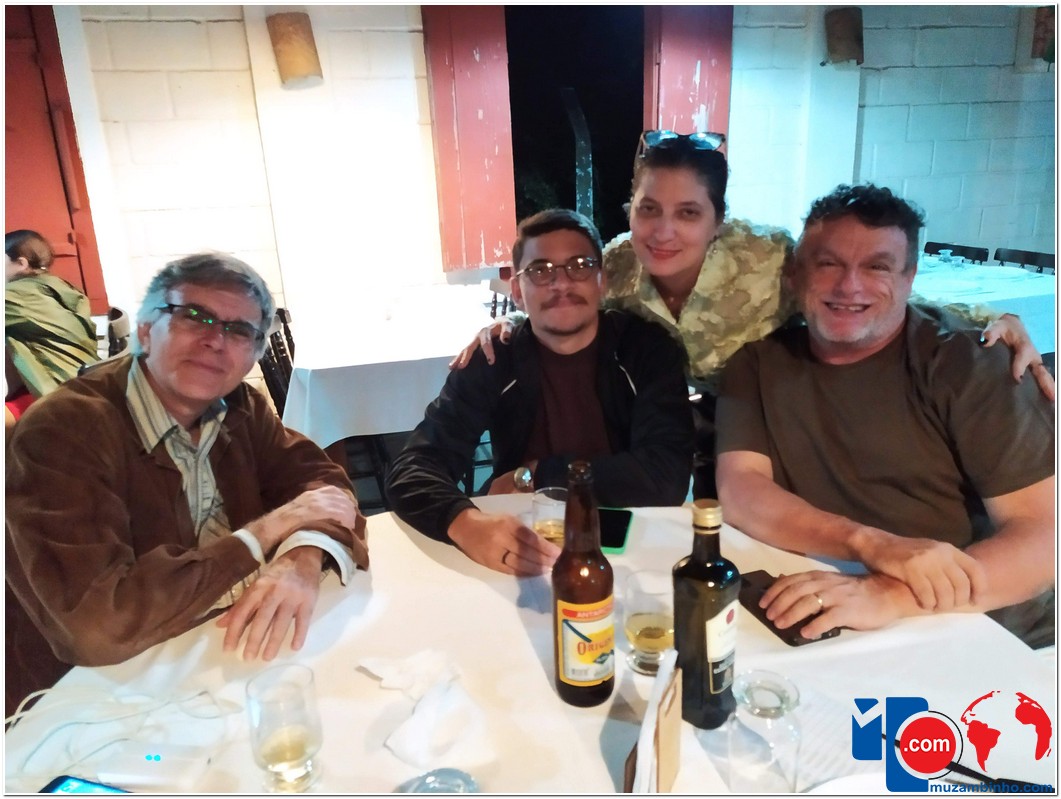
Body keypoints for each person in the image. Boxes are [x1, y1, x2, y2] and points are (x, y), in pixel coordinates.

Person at [454, 132, 1054, 498]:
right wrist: (509, 326)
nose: (663, 231)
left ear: (718, 221)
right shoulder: (618, 263)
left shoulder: (765, 257)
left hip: (780, 412)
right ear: (629, 209)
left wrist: (988, 318)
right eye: (649, 209)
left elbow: (860, 288)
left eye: (689, 213)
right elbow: (566, 301)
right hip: (685, 424)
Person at [5, 253, 369, 717]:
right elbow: (98, 625)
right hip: (93, 701)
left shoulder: (239, 406)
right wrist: (263, 533)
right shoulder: (64, 431)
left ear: (252, 355)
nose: (215, 340)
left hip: (225, 657)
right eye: (194, 316)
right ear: (145, 330)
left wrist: (301, 558)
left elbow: (326, 488)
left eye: (239, 330)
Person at [715, 184, 1054, 648]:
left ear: (909, 278)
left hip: (988, 629)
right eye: (828, 263)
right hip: (833, 605)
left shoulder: (970, 364)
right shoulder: (756, 364)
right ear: (796, 274)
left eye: (877, 266)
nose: (849, 286)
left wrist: (890, 595)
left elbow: (1044, 539)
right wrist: (870, 544)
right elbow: (741, 489)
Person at [387, 209, 694, 576]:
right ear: (517, 291)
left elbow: (666, 477)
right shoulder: (494, 357)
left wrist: (537, 474)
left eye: (579, 266)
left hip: (635, 546)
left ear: (602, 281)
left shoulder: (646, 350)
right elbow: (413, 467)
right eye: (540, 270)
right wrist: (466, 523)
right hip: (520, 544)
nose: (561, 283)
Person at [5, 230, 100, 432]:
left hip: (58, 395)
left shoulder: (18, 295)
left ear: (21, 263)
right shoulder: (61, 287)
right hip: (84, 385)